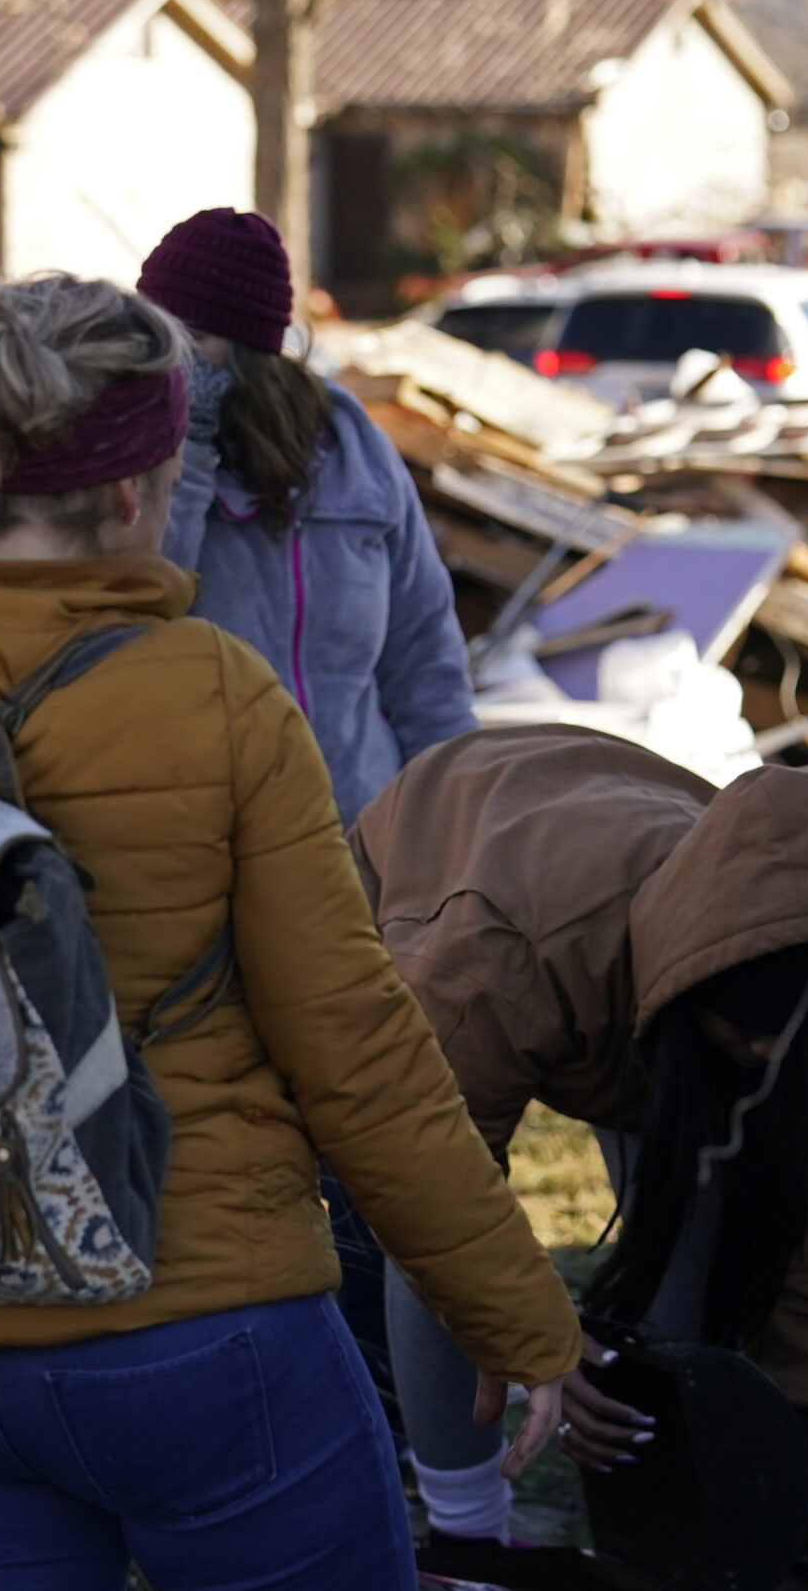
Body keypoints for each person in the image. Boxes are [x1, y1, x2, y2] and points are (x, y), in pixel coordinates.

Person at [0, 263, 579, 1591]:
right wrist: (513, 1309)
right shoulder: (216, 697)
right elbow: (356, 1052)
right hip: (190, 1331)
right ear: (136, 489)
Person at [352, 726, 808, 1551]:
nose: (768, 1054)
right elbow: (429, 1192)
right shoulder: (491, 954)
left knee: (694, 1279)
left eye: (793, 1035)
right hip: (459, 849)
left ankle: (653, 1528)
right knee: (423, 1253)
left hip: (636, 949)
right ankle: (468, 1532)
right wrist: (534, 1336)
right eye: (748, 1026)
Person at [137, 205, 478, 1439]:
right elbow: (146, 601)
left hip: (368, 858)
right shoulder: (153, 446)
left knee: (368, 1153)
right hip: (201, 866)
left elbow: (426, 658)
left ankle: (385, 1438)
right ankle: (256, 1422)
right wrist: (188, 429)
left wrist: (454, 839)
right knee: (235, 1156)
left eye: (173, 332)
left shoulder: (352, 448)